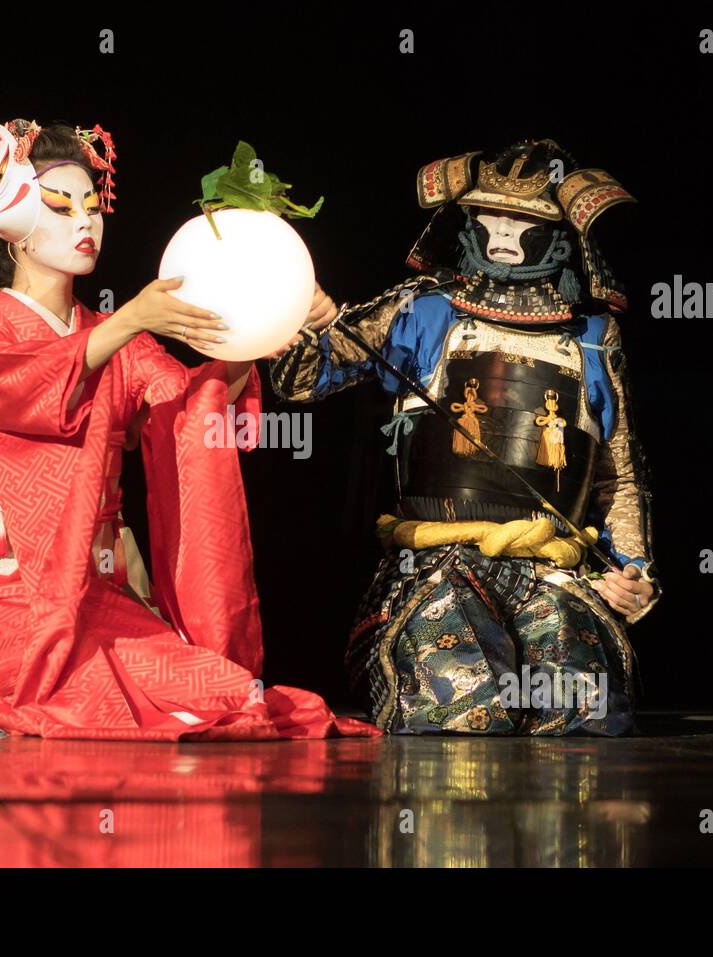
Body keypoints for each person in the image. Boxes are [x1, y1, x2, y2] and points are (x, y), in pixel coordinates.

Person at [0, 118, 376, 740]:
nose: (85, 220)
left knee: (229, 700)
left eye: (92, 205)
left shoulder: (116, 335)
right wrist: (126, 322)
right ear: (10, 224)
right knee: (102, 707)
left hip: (98, 603)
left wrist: (268, 323)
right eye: (60, 204)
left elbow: (185, 419)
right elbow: (18, 392)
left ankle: (5, 714)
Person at [270, 139, 658, 735]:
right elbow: (299, 381)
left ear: (557, 235)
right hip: (435, 565)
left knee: (583, 709)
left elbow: (617, 473)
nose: (502, 235)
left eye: (522, 222)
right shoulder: (423, 312)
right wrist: (301, 311)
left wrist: (635, 575)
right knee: (463, 698)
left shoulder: (592, 337)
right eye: (489, 218)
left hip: (553, 572)